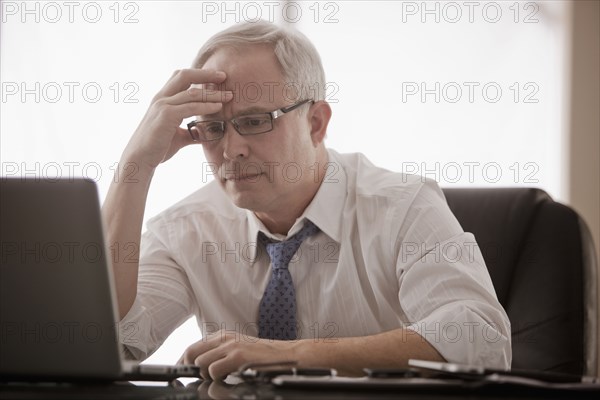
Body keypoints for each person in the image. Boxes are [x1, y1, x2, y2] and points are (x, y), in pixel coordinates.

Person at [102, 20, 511, 381]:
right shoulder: (185, 229)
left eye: (255, 121)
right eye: (213, 128)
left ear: (316, 122)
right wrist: (136, 165)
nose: (231, 150)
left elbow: (481, 338)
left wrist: (293, 356)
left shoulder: (404, 207)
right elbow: (111, 343)